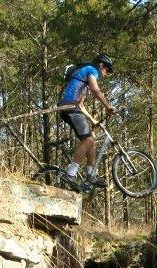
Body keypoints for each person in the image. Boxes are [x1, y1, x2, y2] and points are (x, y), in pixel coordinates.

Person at [58, 53, 116, 188]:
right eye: (107, 70)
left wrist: (92, 120)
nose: (106, 73)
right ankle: (70, 174)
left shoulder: (84, 79)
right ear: (101, 65)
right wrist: (108, 106)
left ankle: (91, 174)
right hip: (69, 106)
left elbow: (81, 105)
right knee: (88, 140)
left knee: (91, 139)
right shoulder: (92, 70)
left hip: (70, 107)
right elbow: (96, 90)